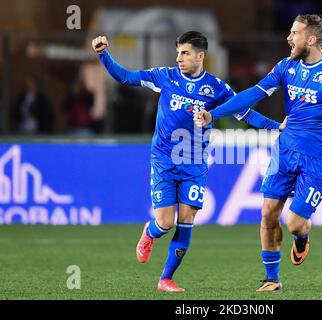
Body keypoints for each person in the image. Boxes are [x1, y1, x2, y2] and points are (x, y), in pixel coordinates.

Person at [194, 14, 322, 291]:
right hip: (285, 150)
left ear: (311, 39)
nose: (288, 38)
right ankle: (272, 279)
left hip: (318, 157)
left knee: (293, 223)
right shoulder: (286, 67)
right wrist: (213, 114)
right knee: (268, 212)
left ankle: (302, 238)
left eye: (295, 33)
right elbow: (252, 94)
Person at [92, 31, 283, 292]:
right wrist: (103, 54)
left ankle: (165, 279)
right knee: (165, 222)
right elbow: (125, 76)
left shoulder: (216, 88)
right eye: (178, 53)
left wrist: (275, 127)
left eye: (185, 53)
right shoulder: (165, 76)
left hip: (194, 163)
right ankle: (150, 232)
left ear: (200, 56)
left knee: (187, 217)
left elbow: (245, 113)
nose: (179, 58)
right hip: (164, 160)